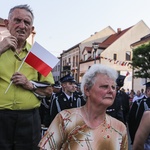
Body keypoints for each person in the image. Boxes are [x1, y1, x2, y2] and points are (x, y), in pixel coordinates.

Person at [0, 4, 54, 150]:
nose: (22, 26)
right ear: (7, 23)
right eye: (17, 20)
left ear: (31, 29)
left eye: (27, 23)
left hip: (28, 120)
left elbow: (49, 90)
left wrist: (29, 84)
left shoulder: (38, 54)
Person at [38, 64, 128, 150]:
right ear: (87, 90)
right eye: (104, 86)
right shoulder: (65, 119)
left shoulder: (119, 128)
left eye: (113, 87)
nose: (111, 91)